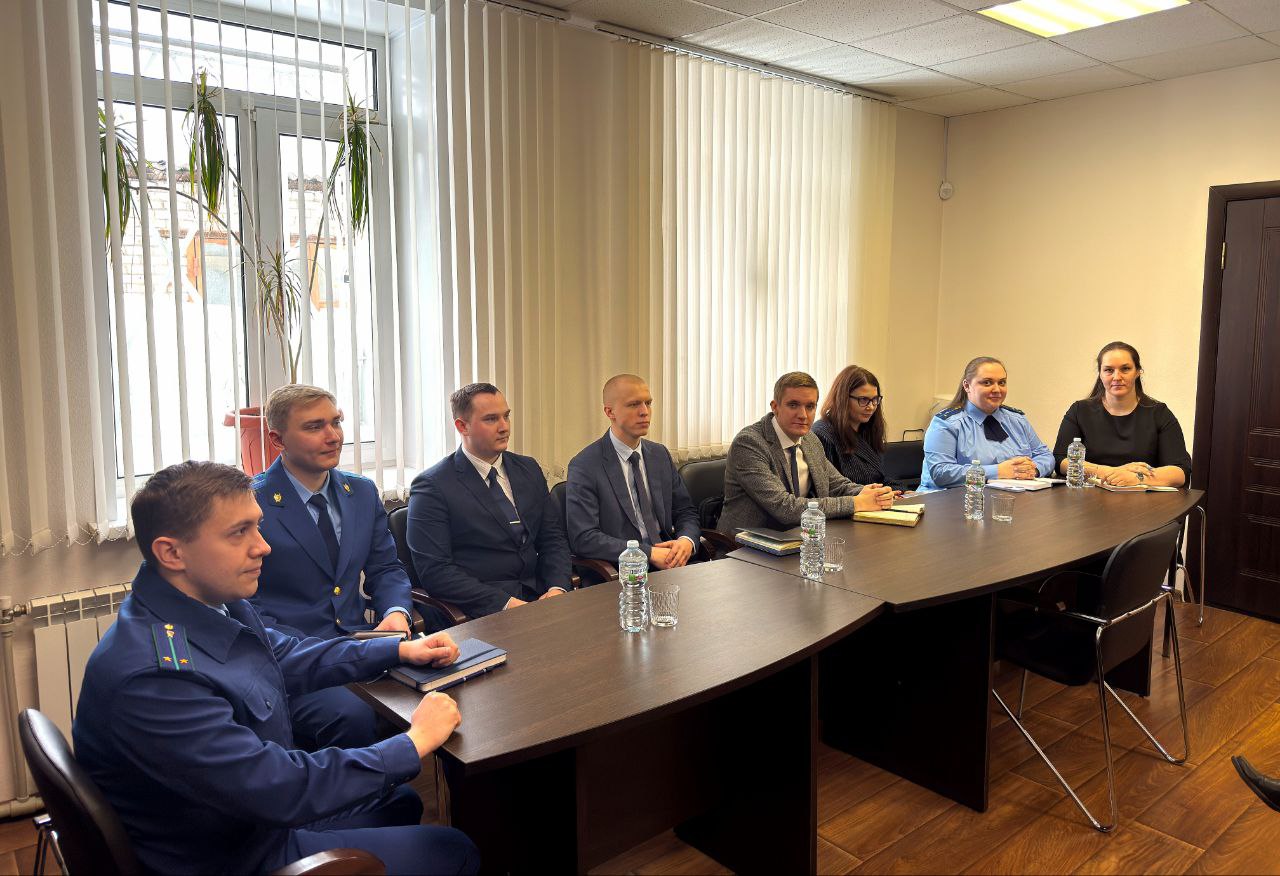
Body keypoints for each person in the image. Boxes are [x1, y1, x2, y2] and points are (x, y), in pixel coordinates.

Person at [73, 461, 479, 876]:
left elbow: (288, 656)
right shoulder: (156, 678)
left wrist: (396, 650)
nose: (263, 547)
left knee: (401, 801)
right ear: (172, 553)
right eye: (239, 533)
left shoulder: (212, 602)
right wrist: (414, 741)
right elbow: (280, 787)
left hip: (243, 820)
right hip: (234, 855)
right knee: (453, 849)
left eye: (257, 526)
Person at [251, 384, 418, 751]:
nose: (334, 436)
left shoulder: (361, 492)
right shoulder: (253, 503)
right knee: (353, 714)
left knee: (445, 681)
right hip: (297, 658)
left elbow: (386, 568)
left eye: (336, 422)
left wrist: (396, 612)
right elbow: (248, 606)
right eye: (314, 427)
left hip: (361, 640)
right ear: (277, 440)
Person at [407, 383, 573, 618]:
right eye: (491, 419)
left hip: (540, 598)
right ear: (462, 426)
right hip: (480, 611)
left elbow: (552, 539)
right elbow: (436, 572)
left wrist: (557, 588)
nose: (504, 427)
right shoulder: (432, 486)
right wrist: (507, 604)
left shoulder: (528, 469)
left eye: (506, 416)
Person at [719, 371, 895, 533]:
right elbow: (785, 508)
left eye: (810, 406)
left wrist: (872, 493)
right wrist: (856, 503)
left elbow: (837, 485)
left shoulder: (810, 439)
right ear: (775, 407)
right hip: (747, 546)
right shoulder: (749, 443)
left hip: (802, 538)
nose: (803, 415)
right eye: (793, 405)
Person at [566, 374, 701, 569]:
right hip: (621, 571)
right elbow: (584, 538)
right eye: (633, 404)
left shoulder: (659, 454)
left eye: (648, 403)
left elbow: (685, 511)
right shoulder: (585, 465)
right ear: (610, 412)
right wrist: (648, 554)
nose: (645, 412)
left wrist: (686, 541)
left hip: (671, 561)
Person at [1053, 341, 1191, 488]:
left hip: (1143, 499)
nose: (1117, 377)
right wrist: (1110, 472)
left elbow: (1180, 471)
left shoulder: (1159, 413)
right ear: (1100, 374)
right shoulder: (1080, 410)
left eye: (1125, 369)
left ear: (1138, 372)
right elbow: (1061, 460)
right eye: (1109, 370)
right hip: (1090, 497)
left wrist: (1137, 478)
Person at [920, 356, 1054, 492]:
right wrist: (998, 471)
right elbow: (941, 473)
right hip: (948, 500)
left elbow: (1045, 456)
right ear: (967, 386)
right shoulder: (946, 423)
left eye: (1002, 383)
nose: (997, 389)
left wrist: (1032, 470)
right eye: (987, 383)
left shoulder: (1017, 420)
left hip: (1008, 498)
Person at [812, 365, 910, 493]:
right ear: (843, 398)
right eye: (863, 400)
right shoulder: (823, 434)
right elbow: (829, 490)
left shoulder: (868, 430)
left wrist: (904, 492)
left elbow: (879, 479)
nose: (871, 407)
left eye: (875, 399)